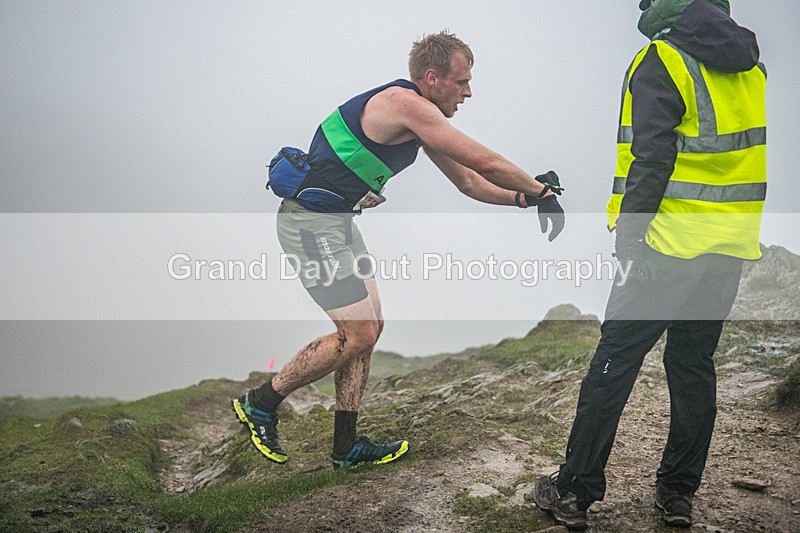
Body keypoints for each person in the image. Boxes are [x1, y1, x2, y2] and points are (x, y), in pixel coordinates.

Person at [232, 31, 566, 470]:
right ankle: (260, 403)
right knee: (358, 334)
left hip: (339, 223)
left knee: (371, 328)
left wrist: (524, 198)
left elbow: (469, 181)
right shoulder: (404, 104)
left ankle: (346, 447)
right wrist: (540, 189)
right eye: (462, 81)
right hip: (310, 226)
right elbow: (485, 162)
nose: (468, 92)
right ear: (432, 77)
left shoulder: (420, 120)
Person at [533, 0, 766, 529]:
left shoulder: (662, 59)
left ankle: (574, 489)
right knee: (693, 365)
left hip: (667, 243)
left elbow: (652, 157)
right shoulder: (751, 66)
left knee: (613, 362)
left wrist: (631, 238)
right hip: (729, 244)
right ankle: (678, 493)